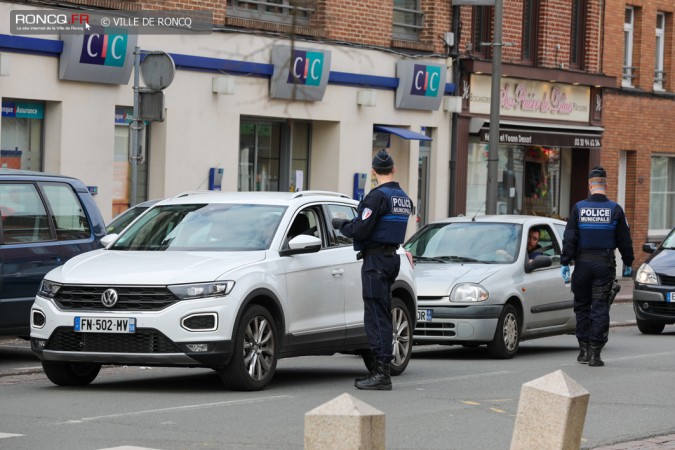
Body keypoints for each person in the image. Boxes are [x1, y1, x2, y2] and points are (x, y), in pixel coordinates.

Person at [331, 149, 412, 391]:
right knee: (384, 313)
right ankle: (382, 369)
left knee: (376, 316)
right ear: (394, 170)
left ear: (374, 172)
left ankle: (381, 372)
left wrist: (340, 224)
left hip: (376, 261)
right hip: (392, 258)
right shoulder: (403, 198)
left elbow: (361, 229)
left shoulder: (377, 197)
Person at [561, 166, 634, 367]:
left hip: (582, 264)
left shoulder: (579, 208)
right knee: (600, 307)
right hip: (604, 265)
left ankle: (583, 350)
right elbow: (624, 240)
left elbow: (570, 238)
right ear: (606, 185)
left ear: (590, 185)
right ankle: (595, 354)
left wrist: (565, 262)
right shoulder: (615, 210)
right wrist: (628, 262)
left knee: (582, 306)